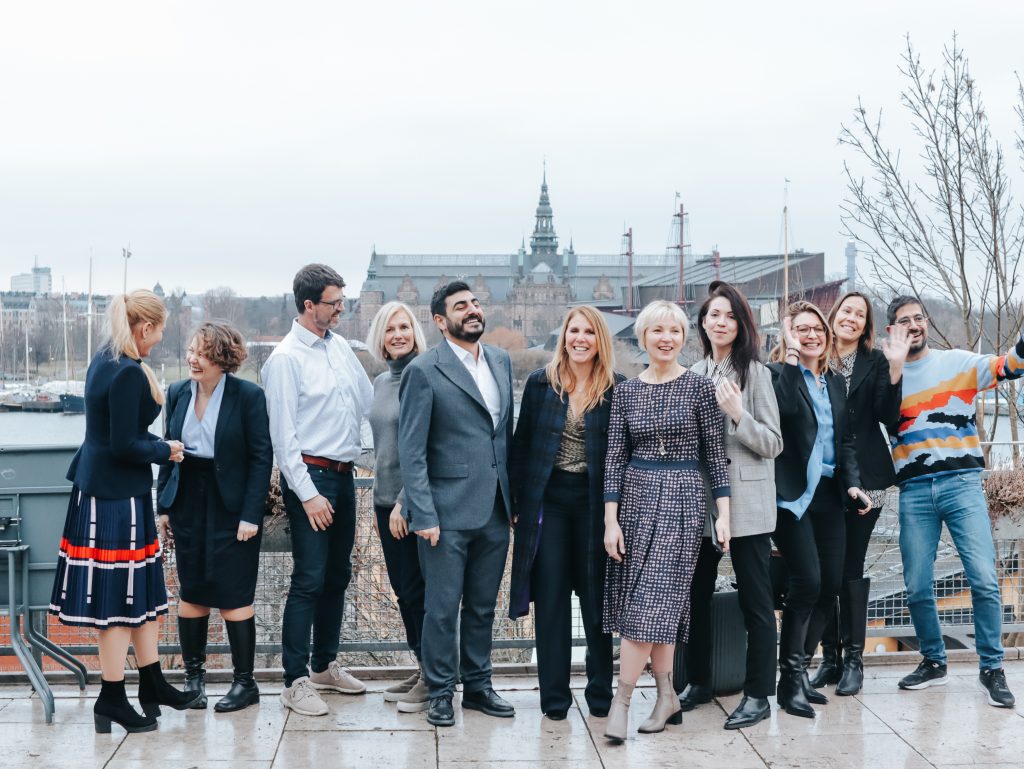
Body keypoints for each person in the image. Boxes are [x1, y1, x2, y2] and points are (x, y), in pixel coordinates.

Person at [49, 289, 201, 734]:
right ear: (145, 327)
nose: (163, 337)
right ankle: (112, 697)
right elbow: (123, 445)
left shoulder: (105, 359)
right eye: (161, 329)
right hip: (115, 501)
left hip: (103, 492)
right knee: (118, 601)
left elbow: (112, 435)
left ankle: (151, 683)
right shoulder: (129, 372)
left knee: (140, 597)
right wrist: (165, 450)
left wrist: (157, 446)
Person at [601, 300, 730, 742]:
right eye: (657, 330)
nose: (666, 338)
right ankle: (666, 695)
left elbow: (715, 456)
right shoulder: (626, 392)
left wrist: (724, 517)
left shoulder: (699, 388)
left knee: (649, 602)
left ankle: (621, 703)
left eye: (674, 331)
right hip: (636, 501)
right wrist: (611, 521)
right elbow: (614, 459)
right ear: (643, 337)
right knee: (660, 606)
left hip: (682, 501)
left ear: (684, 338)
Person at [886, 296, 1020, 708]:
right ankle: (933, 661)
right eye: (904, 321)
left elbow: (1010, 366)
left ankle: (992, 669)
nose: (913, 325)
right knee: (916, 584)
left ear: (926, 323)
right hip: (913, 491)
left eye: (918, 318)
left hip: (961, 484)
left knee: (983, 578)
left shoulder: (958, 363)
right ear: (891, 330)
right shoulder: (886, 378)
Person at [398, 280, 516, 728]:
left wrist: (514, 500)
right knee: (442, 609)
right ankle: (441, 691)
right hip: (444, 514)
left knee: (483, 607)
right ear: (440, 320)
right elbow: (412, 451)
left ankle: (480, 687)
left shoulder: (501, 360)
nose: (472, 310)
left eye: (475, 303)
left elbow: (503, 437)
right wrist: (423, 513)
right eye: (460, 305)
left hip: (495, 510)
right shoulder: (424, 370)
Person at [263, 264, 374, 716]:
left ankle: (325, 666)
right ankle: (294, 681)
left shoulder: (340, 346)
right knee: (309, 578)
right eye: (334, 302)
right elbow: (283, 438)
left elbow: (367, 402)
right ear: (309, 305)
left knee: (337, 575)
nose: (342, 308)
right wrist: (307, 494)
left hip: (344, 475)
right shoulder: (285, 360)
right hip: (311, 477)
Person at [509, 306, 622, 721]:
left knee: (596, 603)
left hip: (596, 503)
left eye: (589, 332)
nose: (580, 339)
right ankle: (554, 699)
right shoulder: (541, 384)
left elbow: (622, 455)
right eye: (574, 331)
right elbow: (521, 446)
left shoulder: (616, 388)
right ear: (564, 337)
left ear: (599, 340)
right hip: (550, 502)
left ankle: (600, 694)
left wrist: (618, 515)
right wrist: (517, 504)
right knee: (552, 600)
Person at [679, 282, 783, 730]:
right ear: (702, 323)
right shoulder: (693, 373)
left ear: (741, 325)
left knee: (757, 602)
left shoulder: (756, 373)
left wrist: (740, 414)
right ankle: (699, 681)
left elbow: (774, 443)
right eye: (713, 315)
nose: (720, 322)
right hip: (701, 503)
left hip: (748, 503)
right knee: (695, 597)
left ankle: (758, 694)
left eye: (729, 316)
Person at [156, 321, 273, 713]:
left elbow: (261, 457)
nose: (193, 358)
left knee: (234, 594)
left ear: (223, 359)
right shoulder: (176, 392)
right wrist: (164, 506)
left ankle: (245, 684)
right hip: (188, 499)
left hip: (232, 505)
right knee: (192, 592)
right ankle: (194, 681)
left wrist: (251, 514)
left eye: (203, 353)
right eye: (191, 350)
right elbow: (169, 451)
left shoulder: (248, 396)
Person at [768, 301, 869, 719]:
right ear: (788, 335)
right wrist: (792, 359)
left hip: (829, 493)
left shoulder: (835, 382)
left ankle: (799, 673)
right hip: (792, 495)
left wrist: (853, 484)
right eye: (801, 329)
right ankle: (788, 682)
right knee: (806, 582)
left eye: (817, 330)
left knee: (830, 586)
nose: (812, 335)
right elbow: (785, 412)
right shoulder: (775, 374)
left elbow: (845, 440)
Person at [807, 292, 907, 696]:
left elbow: (888, 415)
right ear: (834, 315)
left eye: (859, 314)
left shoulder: (875, 362)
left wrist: (896, 368)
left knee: (850, 566)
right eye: (846, 310)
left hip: (867, 476)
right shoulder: (816, 356)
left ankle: (853, 660)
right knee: (823, 570)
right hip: (821, 478)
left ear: (866, 325)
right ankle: (829, 658)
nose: (851, 317)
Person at [365, 301, 429, 713]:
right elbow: (382, 447)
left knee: (423, 592)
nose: (398, 334)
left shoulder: (425, 376)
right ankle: (425, 666)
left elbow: (429, 445)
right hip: (383, 501)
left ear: (415, 331)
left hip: (412, 504)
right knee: (405, 591)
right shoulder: (380, 382)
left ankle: (436, 675)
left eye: (404, 326)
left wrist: (404, 501)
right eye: (390, 329)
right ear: (381, 337)